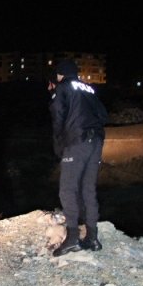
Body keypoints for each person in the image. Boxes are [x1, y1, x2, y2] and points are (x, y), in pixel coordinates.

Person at [49, 59, 108, 256]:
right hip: (96, 142)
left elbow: (58, 117)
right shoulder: (88, 88)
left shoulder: (63, 87)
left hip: (77, 142)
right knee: (88, 189)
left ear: (61, 74)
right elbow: (103, 114)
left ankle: (72, 238)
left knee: (67, 189)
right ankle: (92, 237)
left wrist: (59, 146)